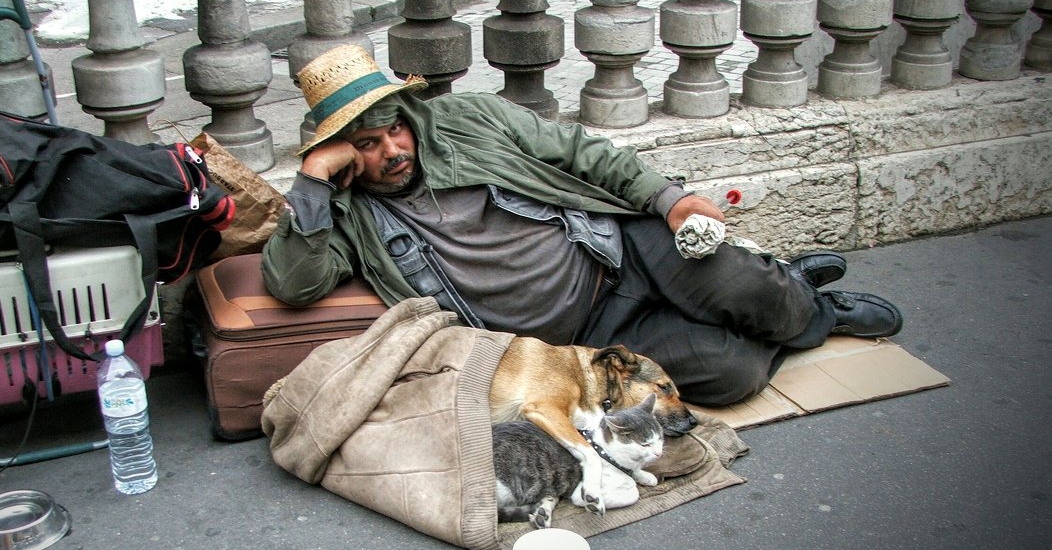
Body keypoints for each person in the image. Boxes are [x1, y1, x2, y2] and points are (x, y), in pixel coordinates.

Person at [262, 45, 903, 407]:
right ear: (342, 151)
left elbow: (579, 152)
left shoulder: (468, 119)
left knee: (751, 292)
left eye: (394, 128)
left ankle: (814, 310)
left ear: (407, 113)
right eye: (367, 145)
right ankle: (780, 299)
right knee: (729, 376)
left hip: (617, 249)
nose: (392, 151)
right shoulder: (344, 212)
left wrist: (666, 198)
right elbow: (293, 284)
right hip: (586, 336)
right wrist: (313, 184)